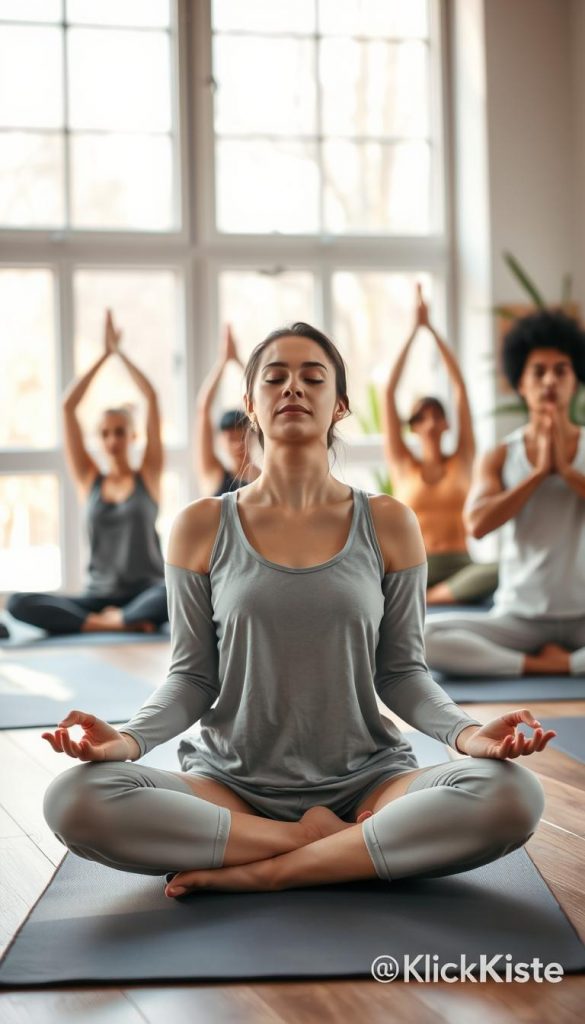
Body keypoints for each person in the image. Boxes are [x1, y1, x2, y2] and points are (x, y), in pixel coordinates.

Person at [42, 321, 550, 899]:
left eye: (312, 377)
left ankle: (268, 868)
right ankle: (327, 846)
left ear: (339, 406)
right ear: (251, 406)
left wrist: (467, 735)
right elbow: (190, 677)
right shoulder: (200, 526)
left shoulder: (389, 523)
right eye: (274, 377)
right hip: (230, 785)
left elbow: (403, 673)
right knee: (73, 799)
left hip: (368, 782)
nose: (292, 388)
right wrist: (129, 741)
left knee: (514, 795)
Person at [425, 309, 585, 677]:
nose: (550, 381)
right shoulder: (500, 454)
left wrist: (566, 471)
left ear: (574, 381)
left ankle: (567, 663)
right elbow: (476, 524)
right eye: (538, 371)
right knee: (422, 634)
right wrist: (539, 475)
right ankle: (537, 665)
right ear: (521, 384)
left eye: (561, 370)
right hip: (518, 616)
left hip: (582, 616)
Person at [7, 310, 168, 635]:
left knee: (177, 591)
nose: (112, 440)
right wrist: (103, 355)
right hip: (96, 597)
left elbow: (151, 396)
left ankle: (112, 621)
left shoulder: (147, 475)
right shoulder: (89, 479)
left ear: (133, 435)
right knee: (16, 603)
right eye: (105, 433)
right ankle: (114, 625)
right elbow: (68, 406)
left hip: (147, 592)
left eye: (120, 431)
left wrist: (120, 355)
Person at [384, 285, 498, 605]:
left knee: (501, 569)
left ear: (447, 423)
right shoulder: (403, 464)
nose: (431, 422)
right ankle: (428, 595)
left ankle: (430, 599)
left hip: (462, 564)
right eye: (422, 417)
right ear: (414, 427)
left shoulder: (462, 459)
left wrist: (432, 330)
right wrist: (413, 331)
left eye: (437, 415)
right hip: (416, 564)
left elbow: (460, 388)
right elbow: (389, 393)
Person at [195, 323, 260, 496]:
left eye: (242, 437)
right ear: (220, 441)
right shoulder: (213, 472)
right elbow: (204, 407)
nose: (237, 445)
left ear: (253, 436)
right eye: (231, 438)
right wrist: (224, 362)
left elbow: (264, 397)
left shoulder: (264, 477)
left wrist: (239, 360)